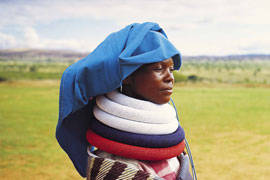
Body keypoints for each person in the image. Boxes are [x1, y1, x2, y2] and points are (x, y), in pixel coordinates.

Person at [56, 22, 193, 180]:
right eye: (159, 69)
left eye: (171, 69)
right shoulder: (114, 166)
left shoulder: (171, 146)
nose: (170, 78)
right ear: (127, 76)